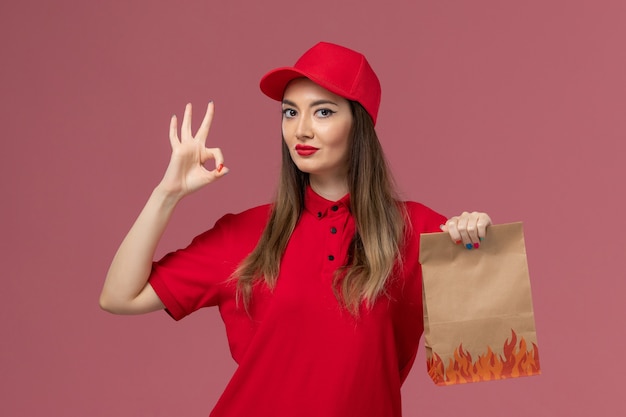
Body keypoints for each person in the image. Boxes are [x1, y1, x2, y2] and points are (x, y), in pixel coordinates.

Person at [100, 42, 492, 417]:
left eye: (322, 112)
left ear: (361, 123)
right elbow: (119, 297)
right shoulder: (246, 233)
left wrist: (477, 248)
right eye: (290, 113)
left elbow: (482, 351)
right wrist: (166, 194)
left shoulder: (416, 230)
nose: (301, 130)